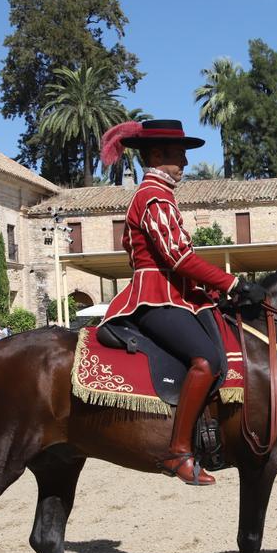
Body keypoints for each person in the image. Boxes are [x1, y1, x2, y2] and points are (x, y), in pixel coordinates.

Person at [98, 119, 267, 486]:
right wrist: (233, 282)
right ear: (157, 156)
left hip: (177, 294)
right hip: (155, 297)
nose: (185, 164)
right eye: (180, 156)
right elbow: (177, 258)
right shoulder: (153, 197)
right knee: (205, 362)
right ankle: (177, 452)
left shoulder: (162, 196)